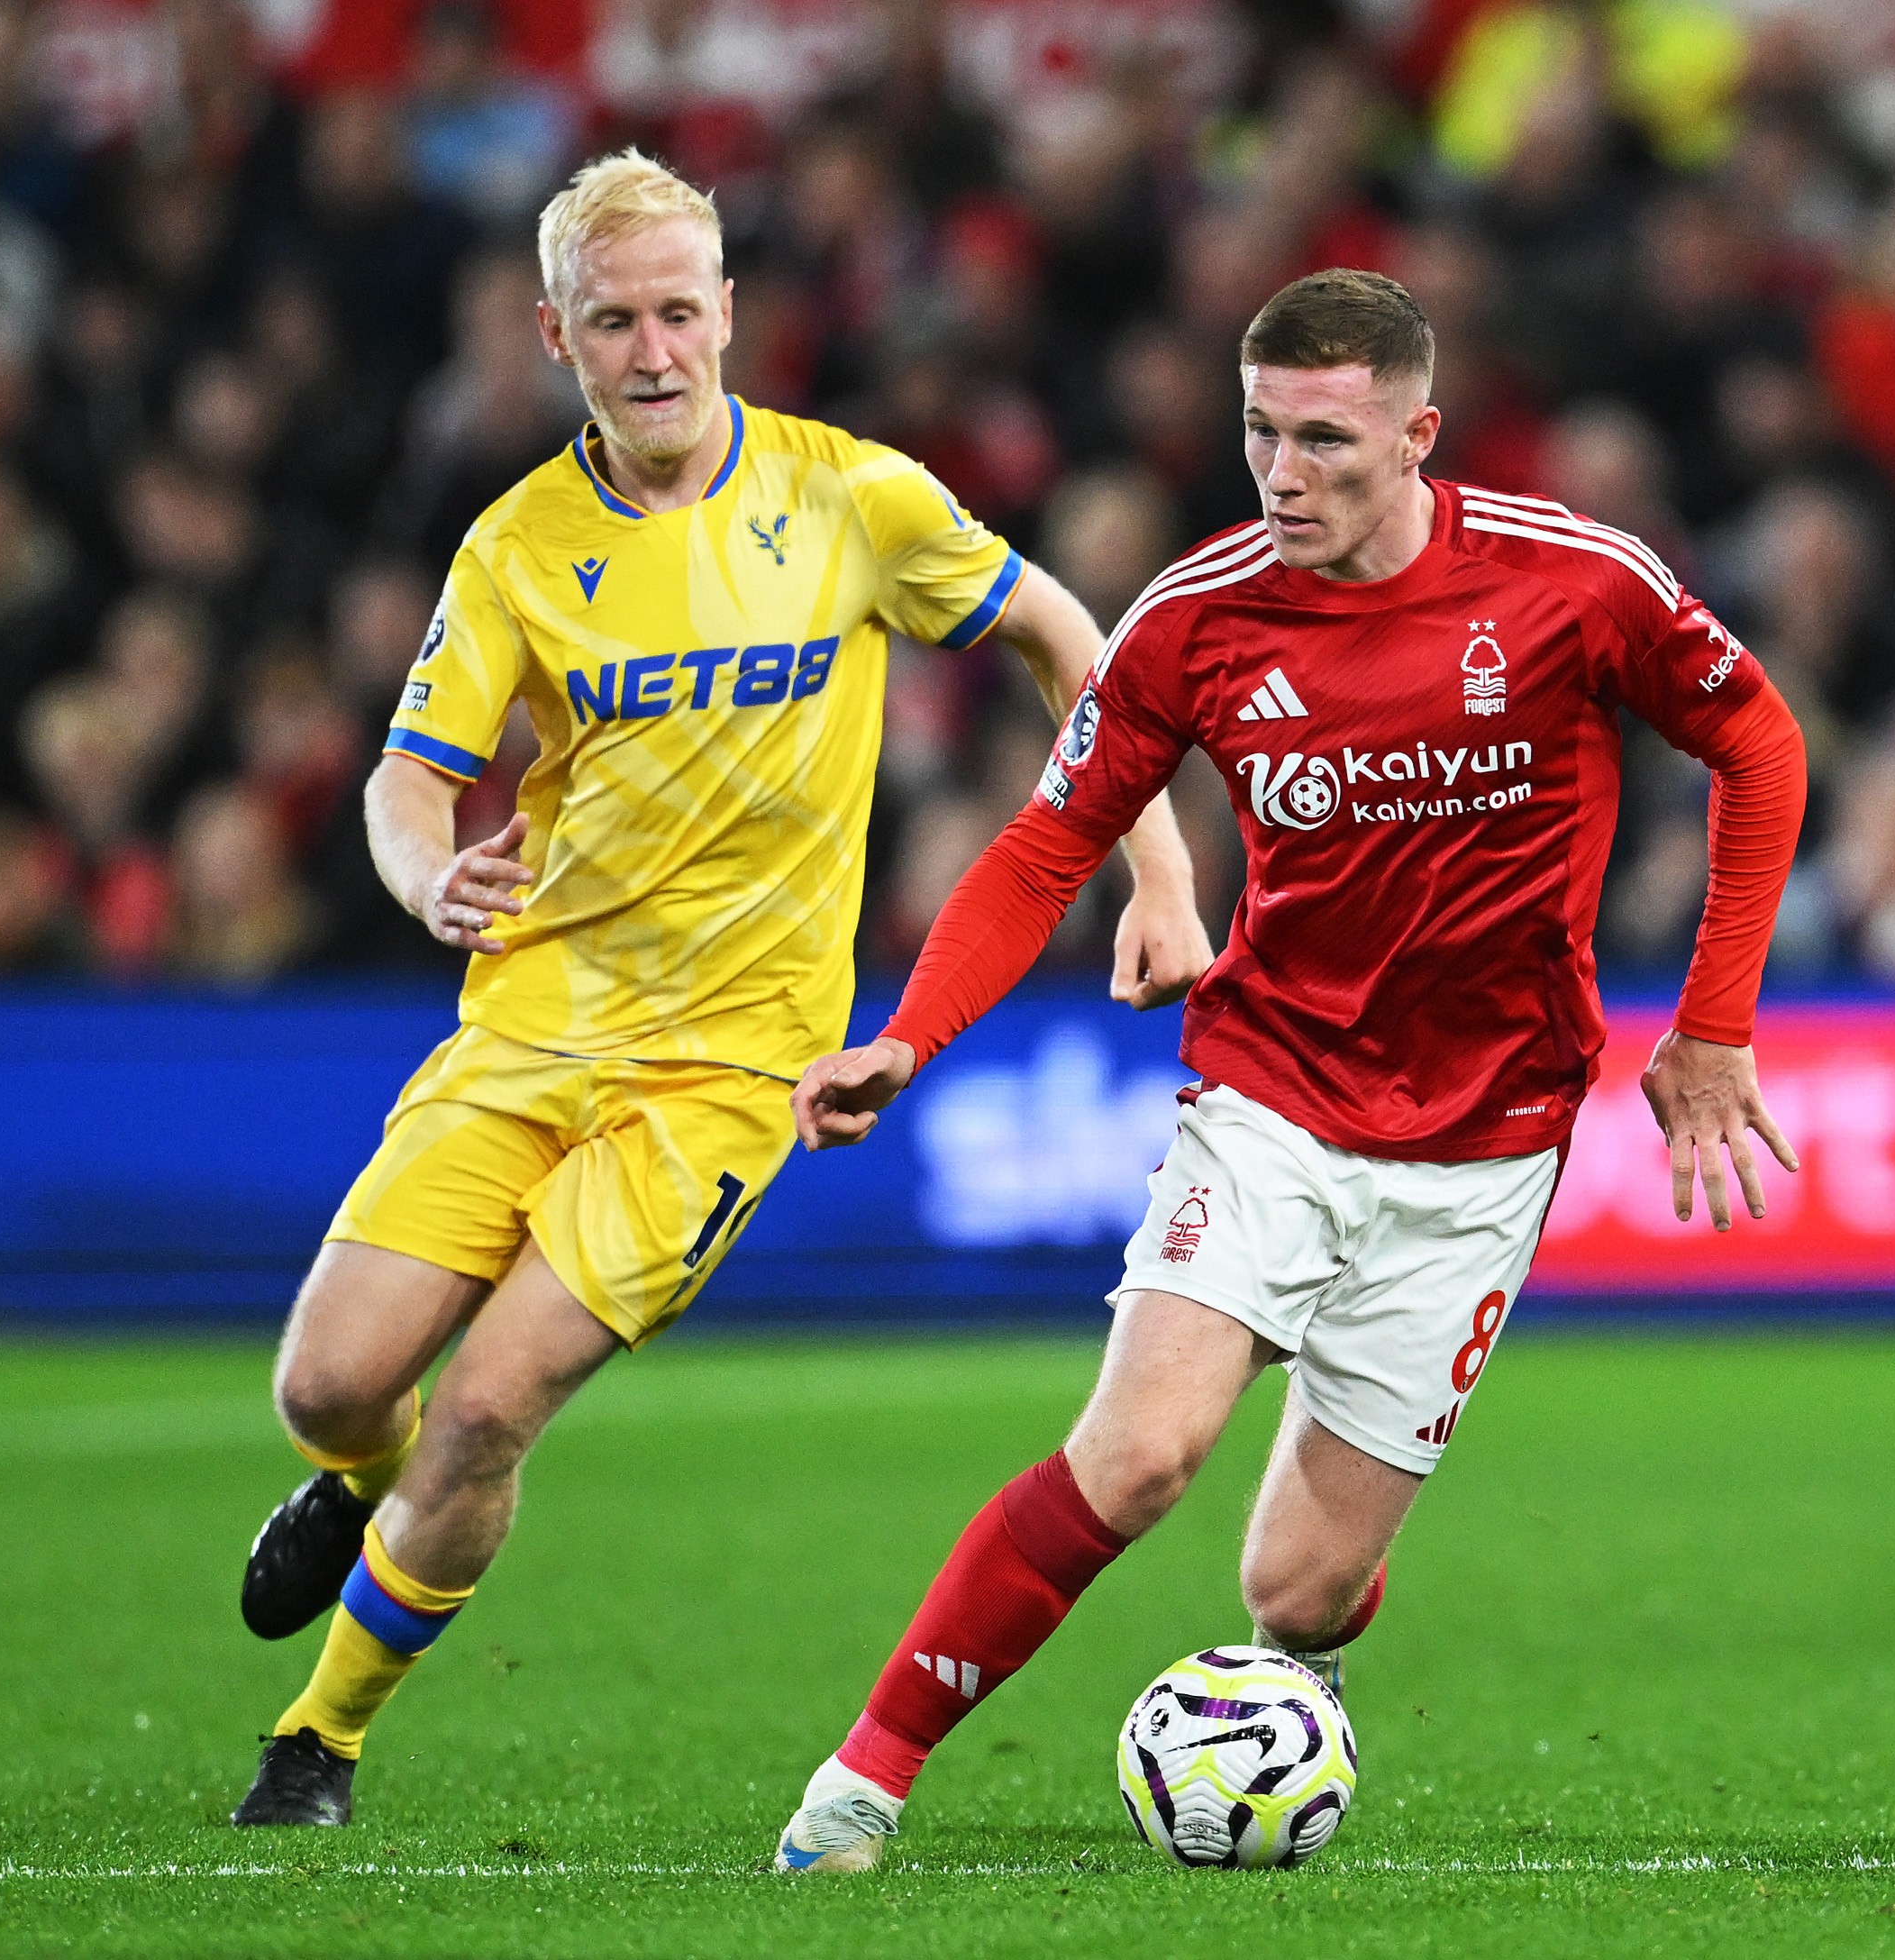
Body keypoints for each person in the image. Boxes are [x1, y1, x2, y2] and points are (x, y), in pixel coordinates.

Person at [766, 269, 1808, 1872]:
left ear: (1417, 434)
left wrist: (1715, 1024)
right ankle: (861, 1783)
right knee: (1139, 1454)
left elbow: (1759, 742)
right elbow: (1051, 843)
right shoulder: (1194, 615)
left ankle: (1288, 1676)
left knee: (1298, 1594)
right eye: (1261, 432)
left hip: (1485, 1142)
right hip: (1274, 1093)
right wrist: (909, 1032)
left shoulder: (1572, 583)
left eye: (1325, 438)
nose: (1284, 472)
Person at [227, 150, 1212, 1827]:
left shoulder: (849, 498)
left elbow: (1067, 634)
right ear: (556, 335)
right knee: (328, 1388)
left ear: (731, 313)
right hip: (529, 1024)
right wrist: (424, 875)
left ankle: (318, 1738)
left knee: (483, 1411)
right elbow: (407, 783)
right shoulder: (518, 546)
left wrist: (1163, 874)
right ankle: (362, 1496)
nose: (655, 349)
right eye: (614, 320)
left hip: (727, 1075)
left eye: (682, 310)